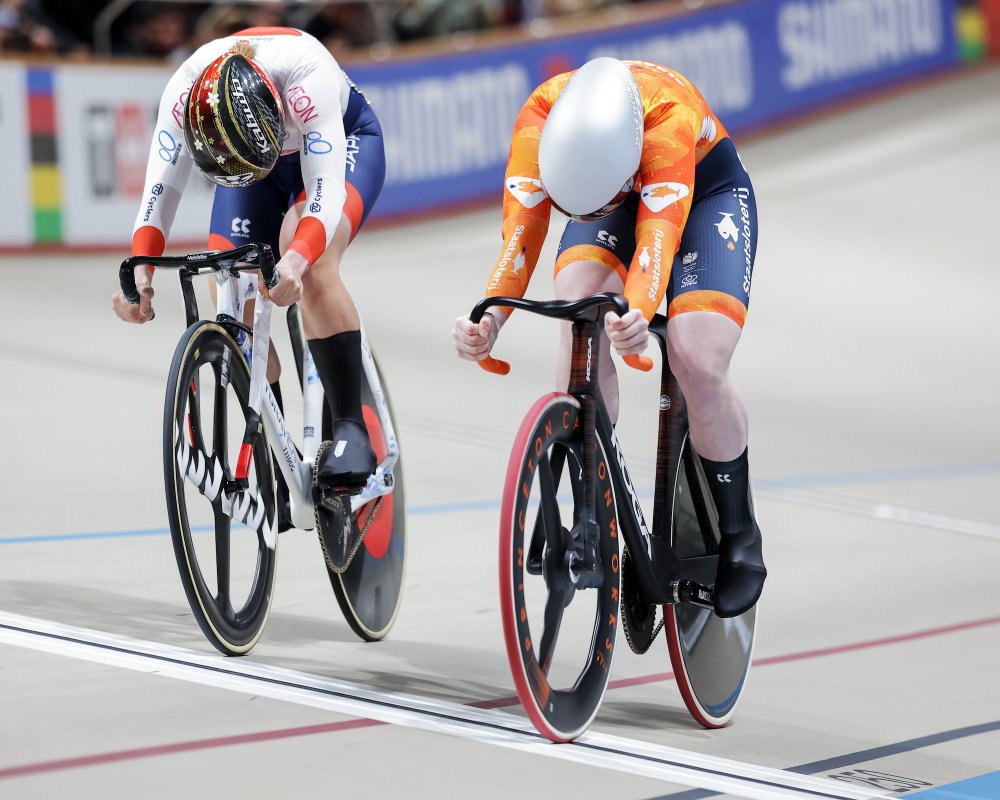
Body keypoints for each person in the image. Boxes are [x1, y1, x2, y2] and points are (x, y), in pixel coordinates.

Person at [452, 57, 766, 618]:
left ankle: (740, 530)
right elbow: (521, 237)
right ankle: (591, 495)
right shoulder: (542, 114)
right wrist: (491, 320)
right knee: (577, 302)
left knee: (697, 355)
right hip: (614, 198)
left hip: (703, 196)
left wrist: (638, 313)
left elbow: (656, 245)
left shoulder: (668, 115)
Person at [113, 27, 386, 494]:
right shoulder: (185, 92)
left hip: (341, 145)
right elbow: (159, 193)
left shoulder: (306, 77)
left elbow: (324, 194)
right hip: (248, 167)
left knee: (313, 265)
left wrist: (297, 262)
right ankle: (270, 447)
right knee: (229, 288)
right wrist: (140, 270)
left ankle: (350, 426)